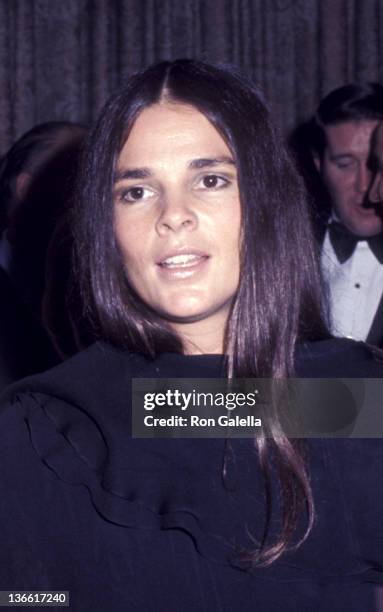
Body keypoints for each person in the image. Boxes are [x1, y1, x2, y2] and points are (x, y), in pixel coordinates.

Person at [0, 59, 382, 611]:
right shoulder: (49, 428)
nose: (173, 215)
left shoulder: (354, 399)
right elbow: (28, 599)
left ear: (265, 203)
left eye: (210, 179)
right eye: (135, 190)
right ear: (105, 226)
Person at [308, 83, 383, 347]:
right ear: (319, 165)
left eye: (377, 164)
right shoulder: (284, 248)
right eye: (345, 164)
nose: (365, 185)